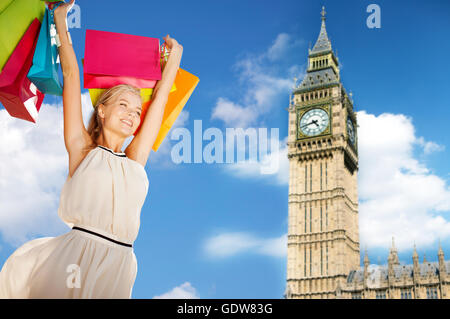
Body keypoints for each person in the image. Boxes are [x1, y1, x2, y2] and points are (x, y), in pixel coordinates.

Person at [0, 0, 183, 298]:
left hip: (121, 264)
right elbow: (72, 75)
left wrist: (174, 60)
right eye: (123, 105)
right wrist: (61, 19)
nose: (132, 115)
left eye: (137, 111)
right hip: (75, 259)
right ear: (101, 111)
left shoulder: (135, 160)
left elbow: (159, 103)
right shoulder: (82, 148)